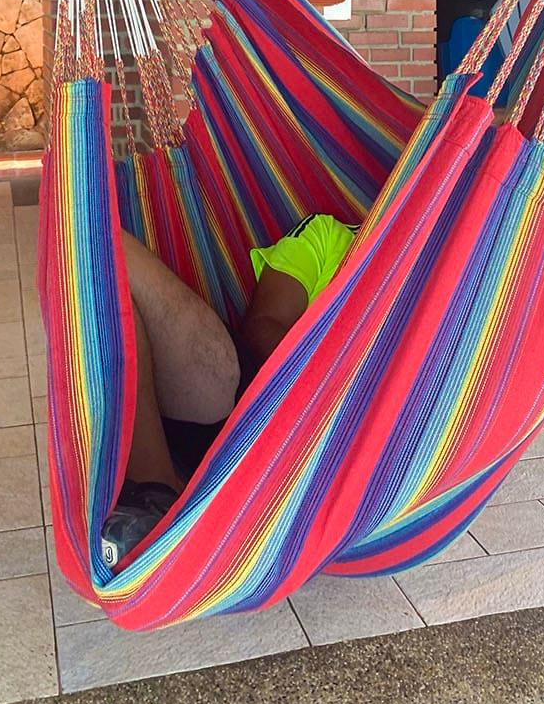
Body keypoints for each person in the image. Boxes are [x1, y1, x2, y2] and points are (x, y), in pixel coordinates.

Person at [100, 213, 358, 566]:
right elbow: (265, 326)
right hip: (251, 404)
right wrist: (324, 386)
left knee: (106, 269)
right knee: (99, 250)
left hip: (335, 451)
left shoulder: (436, 282)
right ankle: (158, 490)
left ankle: (158, 495)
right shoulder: (327, 234)